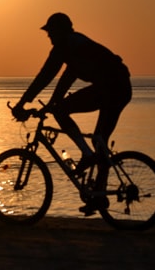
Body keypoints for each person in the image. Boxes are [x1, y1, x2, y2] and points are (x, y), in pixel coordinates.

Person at [11, 12, 132, 214]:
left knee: (65, 114)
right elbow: (66, 78)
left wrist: (22, 103)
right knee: (99, 140)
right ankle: (99, 197)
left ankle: (86, 155)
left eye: (50, 32)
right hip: (116, 87)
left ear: (60, 31)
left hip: (112, 88)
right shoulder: (74, 48)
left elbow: (45, 75)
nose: (48, 37)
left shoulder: (66, 46)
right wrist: (50, 103)